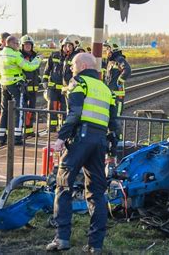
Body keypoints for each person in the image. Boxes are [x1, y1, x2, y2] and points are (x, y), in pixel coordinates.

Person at [46, 53, 117, 252]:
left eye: (73, 64)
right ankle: (95, 245)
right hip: (100, 142)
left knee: (63, 185)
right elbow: (114, 122)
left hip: (81, 139)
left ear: (84, 65)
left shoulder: (79, 82)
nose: (70, 68)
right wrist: (112, 149)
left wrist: (61, 137)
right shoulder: (105, 88)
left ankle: (62, 238)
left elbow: (75, 113)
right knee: (96, 192)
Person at [0, 36, 41, 145]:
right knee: (19, 110)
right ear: (12, 44)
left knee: (4, 110)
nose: (18, 46)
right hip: (16, 86)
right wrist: (38, 59)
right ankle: (17, 137)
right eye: (17, 44)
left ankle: (1, 136)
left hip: (4, 85)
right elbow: (29, 67)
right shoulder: (15, 54)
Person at [42, 37, 79, 132]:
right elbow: (47, 69)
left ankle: (63, 128)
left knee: (64, 109)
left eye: (70, 46)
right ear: (62, 46)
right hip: (53, 87)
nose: (68, 48)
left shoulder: (75, 57)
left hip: (65, 88)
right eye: (66, 45)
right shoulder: (54, 55)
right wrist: (45, 81)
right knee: (52, 108)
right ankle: (51, 128)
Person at [19, 35, 40, 136]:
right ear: (22, 46)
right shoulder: (19, 56)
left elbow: (36, 70)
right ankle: (23, 130)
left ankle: (29, 130)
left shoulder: (35, 56)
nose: (28, 46)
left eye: (29, 44)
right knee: (23, 109)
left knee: (31, 109)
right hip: (24, 86)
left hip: (33, 87)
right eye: (26, 44)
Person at [102, 42, 131, 116]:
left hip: (117, 94)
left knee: (116, 116)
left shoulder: (119, 59)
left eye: (108, 49)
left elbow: (127, 69)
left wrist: (119, 81)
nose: (106, 51)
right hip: (110, 93)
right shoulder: (110, 61)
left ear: (113, 49)